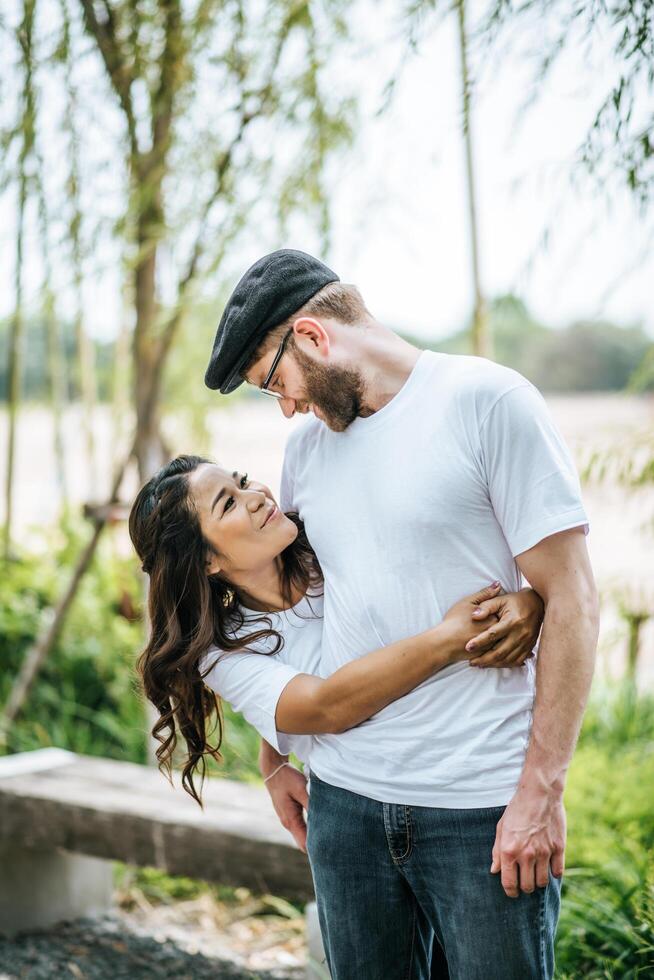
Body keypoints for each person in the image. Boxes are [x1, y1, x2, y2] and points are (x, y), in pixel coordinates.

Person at [204, 248, 600, 980]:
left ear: (314, 338)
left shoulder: (489, 402)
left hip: (480, 809)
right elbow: (314, 606)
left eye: (274, 382)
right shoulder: (306, 451)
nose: (286, 406)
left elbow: (575, 595)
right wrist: (273, 755)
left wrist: (540, 793)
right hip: (345, 809)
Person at [128, 454, 545, 811]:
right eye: (229, 504)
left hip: (468, 782)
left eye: (242, 481)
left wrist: (532, 601)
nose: (257, 497)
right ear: (205, 562)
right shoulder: (225, 653)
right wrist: (450, 639)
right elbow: (328, 707)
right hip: (352, 813)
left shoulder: (331, 545)